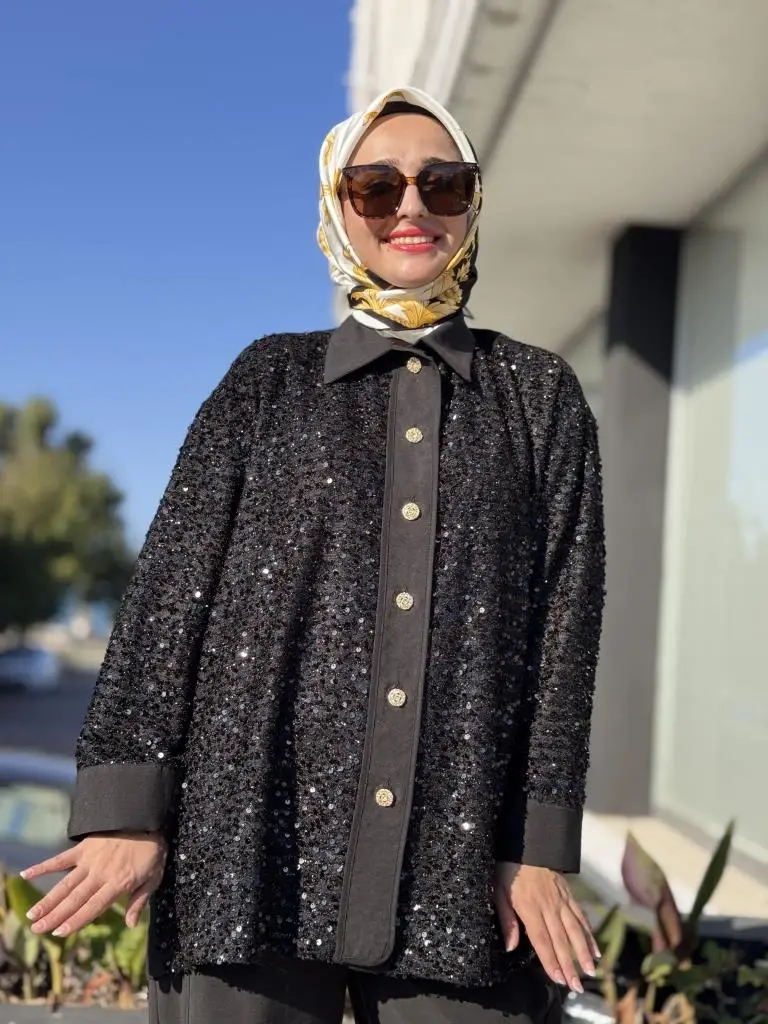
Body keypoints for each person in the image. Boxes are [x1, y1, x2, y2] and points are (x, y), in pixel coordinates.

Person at [22, 86, 606, 1024]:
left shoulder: (539, 397)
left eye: (443, 184)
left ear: (473, 205)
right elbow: (170, 596)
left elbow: (562, 638)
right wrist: (128, 810)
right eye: (376, 186)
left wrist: (535, 845)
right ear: (338, 206)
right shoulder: (267, 379)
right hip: (245, 850)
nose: (411, 207)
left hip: (459, 873)